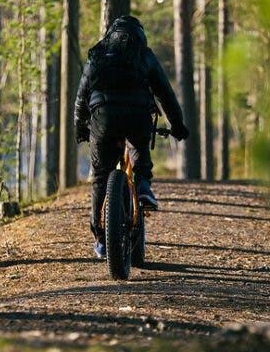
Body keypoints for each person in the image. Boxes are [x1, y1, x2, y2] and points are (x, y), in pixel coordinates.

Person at [74, 15, 189, 258]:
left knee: (101, 177)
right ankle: (144, 186)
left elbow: (81, 97)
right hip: (138, 116)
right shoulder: (144, 55)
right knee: (138, 149)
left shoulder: (98, 55)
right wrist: (177, 126)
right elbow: (165, 94)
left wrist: (80, 128)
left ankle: (101, 238)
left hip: (103, 119)